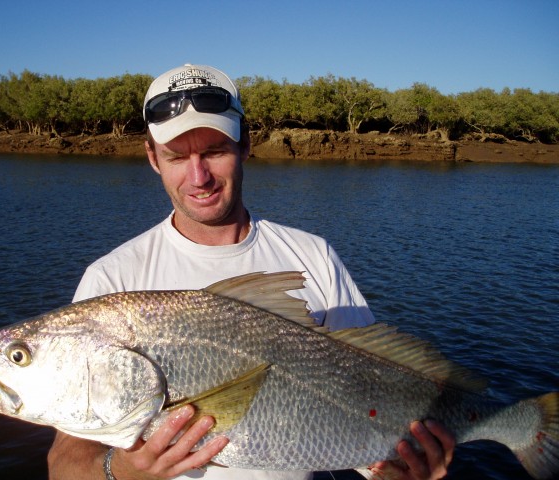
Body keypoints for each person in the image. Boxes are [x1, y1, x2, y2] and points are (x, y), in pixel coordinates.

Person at [48, 64, 455, 480]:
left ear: (246, 146)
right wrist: (123, 472)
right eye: (176, 156)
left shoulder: (312, 256)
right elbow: (64, 464)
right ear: (153, 158)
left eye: (214, 151)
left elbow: (369, 401)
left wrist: (406, 470)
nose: (198, 177)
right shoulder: (112, 281)